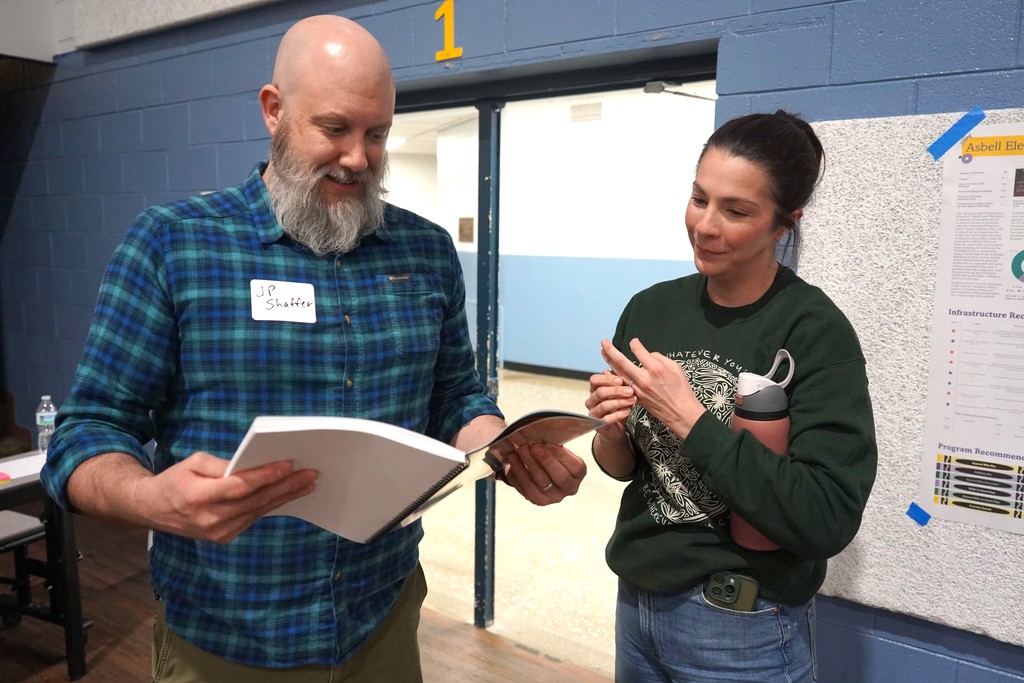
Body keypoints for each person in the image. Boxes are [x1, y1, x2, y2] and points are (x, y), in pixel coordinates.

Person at [40, 14, 586, 682]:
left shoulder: (427, 251)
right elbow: (86, 433)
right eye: (334, 128)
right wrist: (153, 499)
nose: (358, 156)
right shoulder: (173, 245)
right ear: (274, 111)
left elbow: (457, 396)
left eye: (378, 133)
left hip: (380, 620)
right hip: (227, 638)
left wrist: (504, 443)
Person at [585, 111, 877, 682]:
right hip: (636, 606)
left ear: (783, 226)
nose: (705, 225)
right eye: (699, 199)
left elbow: (826, 517)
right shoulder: (651, 308)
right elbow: (624, 470)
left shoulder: (814, 330)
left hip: (742, 624)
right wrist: (611, 429)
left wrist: (690, 418)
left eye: (736, 211)